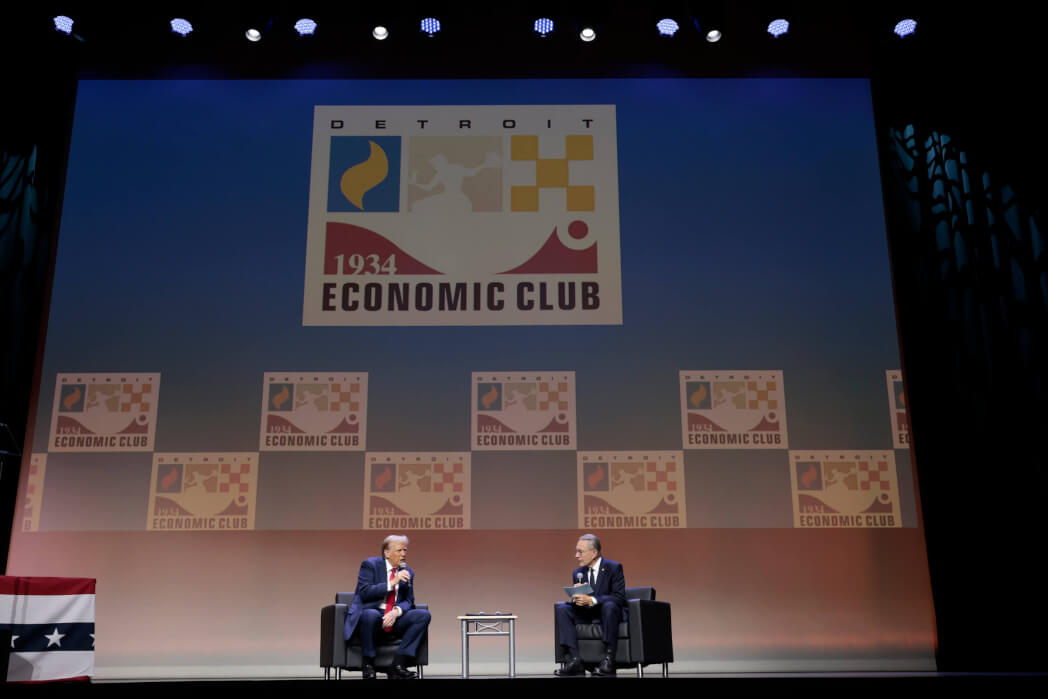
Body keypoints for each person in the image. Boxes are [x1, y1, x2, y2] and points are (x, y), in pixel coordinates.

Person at [343, 534, 431, 679]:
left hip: (394, 618)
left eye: (405, 550)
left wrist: (396, 612)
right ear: (387, 553)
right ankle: (368, 664)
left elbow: (409, 601)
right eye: (399, 550)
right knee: (370, 615)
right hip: (372, 614)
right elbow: (364, 592)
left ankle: (398, 664)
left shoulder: (407, 572)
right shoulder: (370, 565)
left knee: (423, 615)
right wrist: (393, 582)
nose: (403, 554)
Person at [554, 534, 626, 677]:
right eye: (576, 551)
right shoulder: (578, 572)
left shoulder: (613, 567)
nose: (576, 556)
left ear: (594, 553)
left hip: (607, 614)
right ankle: (575, 661)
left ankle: (609, 660)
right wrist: (577, 597)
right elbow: (581, 601)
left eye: (580, 552)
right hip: (587, 613)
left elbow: (619, 597)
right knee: (562, 609)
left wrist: (591, 600)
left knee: (610, 606)